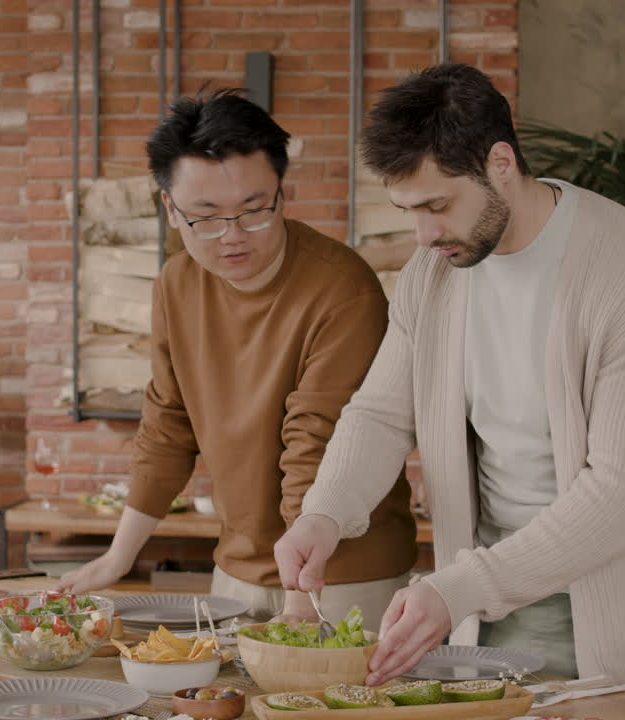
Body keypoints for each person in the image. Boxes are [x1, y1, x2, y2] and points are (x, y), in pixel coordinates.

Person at [274, 64, 625, 690]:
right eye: (407, 211)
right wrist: (325, 513)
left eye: (438, 205)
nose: (423, 235)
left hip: (614, 615)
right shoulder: (436, 273)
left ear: (500, 161)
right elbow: (381, 414)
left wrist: (461, 587)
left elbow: (620, 493)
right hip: (484, 609)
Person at [58, 89, 418, 625]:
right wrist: (119, 555)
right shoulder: (176, 284)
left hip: (343, 577)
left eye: (254, 210)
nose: (233, 237)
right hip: (236, 571)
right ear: (170, 208)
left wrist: (301, 598)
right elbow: (167, 424)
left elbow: (315, 441)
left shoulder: (343, 289)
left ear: (281, 193)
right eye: (206, 217)